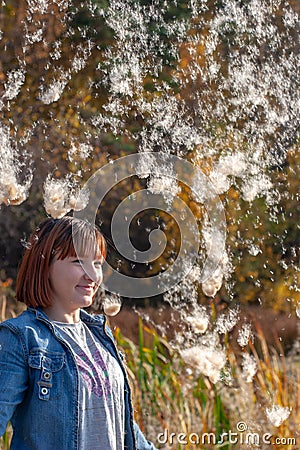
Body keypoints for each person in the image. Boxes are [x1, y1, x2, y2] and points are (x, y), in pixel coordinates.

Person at [0, 216, 158, 450]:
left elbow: (119, 420)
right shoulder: (21, 338)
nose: (93, 276)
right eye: (78, 262)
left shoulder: (101, 337)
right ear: (45, 264)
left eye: (96, 264)